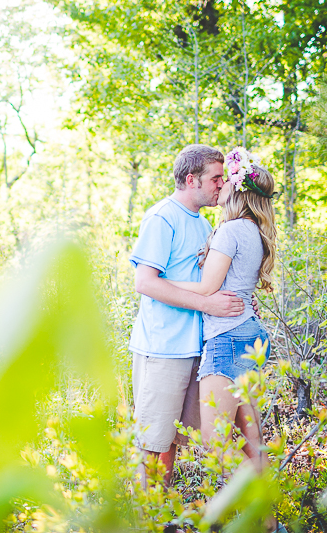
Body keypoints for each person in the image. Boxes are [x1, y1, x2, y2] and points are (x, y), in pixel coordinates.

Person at [163, 146, 284, 532]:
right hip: (250, 336)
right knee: (252, 439)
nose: (220, 189)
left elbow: (206, 287)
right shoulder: (253, 231)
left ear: (238, 192)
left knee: (216, 444)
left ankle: (247, 508)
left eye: (226, 183)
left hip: (227, 340)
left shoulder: (231, 230)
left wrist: (158, 284)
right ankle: (269, 523)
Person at [129, 144, 246, 486]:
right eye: (216, 178)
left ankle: (163, 514)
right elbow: (145, 283)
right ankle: (146, 520)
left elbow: (205, 282)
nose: (221, 185)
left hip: (198, 349)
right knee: (152, 443)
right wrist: (208, 305)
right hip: (162, 348)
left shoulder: (203, 222)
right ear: (192, 179)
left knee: (173, 442)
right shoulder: (162, 217)